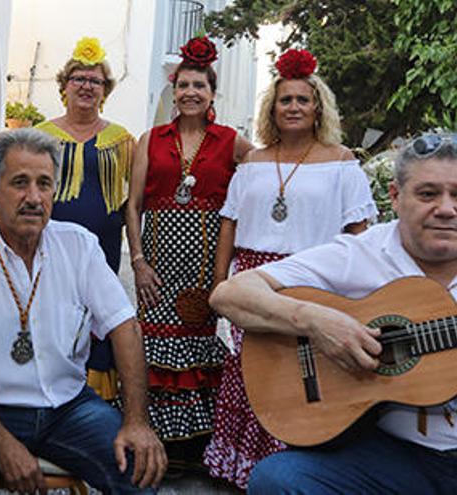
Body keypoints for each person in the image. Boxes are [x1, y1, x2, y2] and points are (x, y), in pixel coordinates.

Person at [0, 128, 166, 494]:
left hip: (70, 408)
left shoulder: (79, 247)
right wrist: (2, 444)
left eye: (44, 184)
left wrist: (137, 421)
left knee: (140, 475)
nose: (33, 197)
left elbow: (124, 327)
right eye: (20, 182)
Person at [210, 132, 457, 493]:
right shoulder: (361, 253)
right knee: (278, 480)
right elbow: (230, 294)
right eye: (428, 194)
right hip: (390, 455)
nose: (447, 208)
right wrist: (317, 322)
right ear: (395, 197)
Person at [201, 48, 378, 489]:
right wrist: (221, 284)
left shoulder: (342, 162)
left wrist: (353, 295)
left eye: (303, 99)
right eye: (286, 100)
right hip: (251, 280)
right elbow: (230, 224)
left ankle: (290, 468)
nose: (294, 107)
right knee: (249, 369)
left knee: (299, 373)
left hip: (312, 280)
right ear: (272, 109)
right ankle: (238, 465)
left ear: (318, 107)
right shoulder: (253, 162)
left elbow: (360, 232)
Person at [124, 36, 253, 470]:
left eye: (199, 85)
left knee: (198, 351)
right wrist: (138, 262)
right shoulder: (151, 138)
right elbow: (134, 205)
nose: (190, 93)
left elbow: (267, 175)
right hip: (157, 266)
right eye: (183, 85)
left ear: (212, 93)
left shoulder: (232, 141)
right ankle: (152, 441)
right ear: (173, 91)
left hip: (204, 266)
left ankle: (193, 450)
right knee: (154, 351)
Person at [35, 36, 135, 401]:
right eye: (78, 78)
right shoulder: (40, 136)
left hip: (103, 248)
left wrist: (137, 255)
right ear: (64, 86)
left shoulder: (122, 139)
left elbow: (137, 198)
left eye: (95, 80)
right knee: (54, 309)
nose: (86, 86)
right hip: (52, 244)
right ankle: (47, 388)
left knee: (97, 312)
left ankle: (96, 396)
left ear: (105, 90)